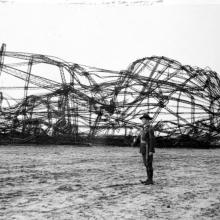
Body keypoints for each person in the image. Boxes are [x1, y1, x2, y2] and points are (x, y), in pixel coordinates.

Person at [139, 113, 155, 185]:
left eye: (143, 119)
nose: (142, 120)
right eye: (142, 119)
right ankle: (148, 179)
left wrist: (151, 150)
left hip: (147, 148)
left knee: (149, 164)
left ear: (147, 120)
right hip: (143, 148)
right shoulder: (144, 128)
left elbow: (152, 140)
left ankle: (150, 180)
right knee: (146, 164)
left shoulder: (150, 128)